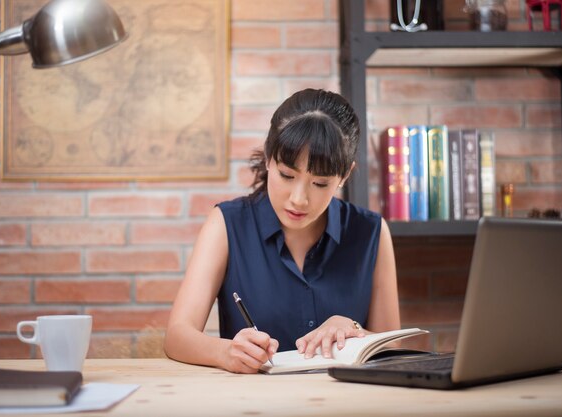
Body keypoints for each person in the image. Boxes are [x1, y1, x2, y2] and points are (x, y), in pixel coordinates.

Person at [164, 88, 400, 373]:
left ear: (345, 175)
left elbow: (393, 350)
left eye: (320, 183)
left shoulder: (370, 232)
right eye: (287, 175)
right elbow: (177, 335)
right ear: (268, 158)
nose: (299, 199)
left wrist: (354, 329)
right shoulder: (227, 224)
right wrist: (227, 352)